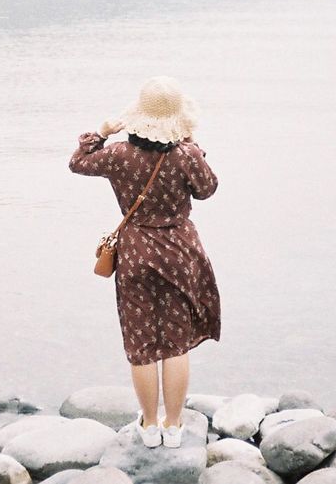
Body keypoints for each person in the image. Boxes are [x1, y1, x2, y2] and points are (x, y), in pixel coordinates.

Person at [69, 75, 221, 449]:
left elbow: (77, 163)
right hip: (178, 251)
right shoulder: (185, 155)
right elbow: (207, 189)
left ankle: (149, 426)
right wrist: (191, 145)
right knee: (176, 342)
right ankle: (174, 426)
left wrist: (100, 132)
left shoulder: (120, 154)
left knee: (142, 341)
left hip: (135, 250)